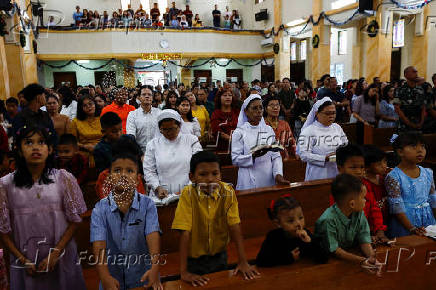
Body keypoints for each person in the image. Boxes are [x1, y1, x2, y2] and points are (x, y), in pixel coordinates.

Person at [0, 126, 87, 289]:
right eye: (28, 142)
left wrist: (55, 254)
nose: (35, 147)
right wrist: (22, 259)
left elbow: (75, 221)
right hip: (25, 258)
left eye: (41, 142)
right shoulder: (5, 185)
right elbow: (3, 232)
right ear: (18, 150)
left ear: (50, 149)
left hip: (61, 254)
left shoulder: (63, 178)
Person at [172, 151, 259, 286]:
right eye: (203, 174)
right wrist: (183, 272)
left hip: (220, 255)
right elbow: (184, 231)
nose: (210, 179)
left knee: (220, 284)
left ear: (220, 175)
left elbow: (234, 225)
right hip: (194, 259)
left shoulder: (228, 192)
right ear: (192, 177)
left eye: (215, 173)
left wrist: (243, 261)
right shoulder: (187, 194)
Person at [90, 141, 162, 290]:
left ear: (137, 179)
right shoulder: (99, 209)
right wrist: (104, 277)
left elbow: (153, 235)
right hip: (111, 278)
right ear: (109, 177)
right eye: (117, 170)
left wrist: (155, 268)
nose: (123, 175)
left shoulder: (148, 205)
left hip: (143, 276)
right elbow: (99, 243)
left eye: (129, 171)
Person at [314, 174, 382, 274]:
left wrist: (371, 258)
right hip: (326, 260)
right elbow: (335, 251)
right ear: (352, 204)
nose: (365, 201)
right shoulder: (327, 220)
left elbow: (364, 240)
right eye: (363, 198)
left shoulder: (359, 213)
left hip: (348, 252)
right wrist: (362, 261)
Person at [231, 95, 289, 190]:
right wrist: (252, 156)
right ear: (246, 111)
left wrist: (278, 174)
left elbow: (276, 156)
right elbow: (235, 159)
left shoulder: (268, 129)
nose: (259, 111)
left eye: (261, 108)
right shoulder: (239, 132)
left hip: (268, 177)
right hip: (248, 179)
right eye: (254, 108)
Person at [143, 109, 202, 200]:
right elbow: (149, 170)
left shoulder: (192, 140)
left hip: (189, 192)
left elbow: (199, 165)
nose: (168, 132)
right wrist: (157, 187)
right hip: (162, 196)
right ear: (160, 129)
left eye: (172, 129)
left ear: (179, 126)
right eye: (164, 129)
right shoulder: (152, 145)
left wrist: (188, 188)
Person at [335, 144, 388, 242]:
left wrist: (379, 230)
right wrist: (362, 238)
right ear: (340, 168)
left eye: (362, 167)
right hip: (348, 238)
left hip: (367, 235)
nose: (359, 171)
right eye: (353, 167)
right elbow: (343, 221)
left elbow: (374, 208)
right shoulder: (338, 189)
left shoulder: (364, 185)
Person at [386, 132, 436, 237]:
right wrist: (411, 228)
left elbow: (433, 198)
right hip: (406, 221)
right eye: (414, 146)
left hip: (427, 218)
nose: (420, 150)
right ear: (400, 152)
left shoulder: (428, 172)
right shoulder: (394, 177)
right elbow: (396, 207)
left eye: (423, 146)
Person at [256, 195, 328, 267]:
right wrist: (288, 258)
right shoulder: (273, 237)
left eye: (300, 218)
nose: (298, 223)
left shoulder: (306, 234)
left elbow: (323, 259)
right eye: (291, 221)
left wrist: (310, 242)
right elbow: (261, 261)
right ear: (278, 223)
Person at [296, 97, 348, 181]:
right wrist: (324, 158)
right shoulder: (309, 131)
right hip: (318, 173)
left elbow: (345, 144)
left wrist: (341, 152)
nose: (331, 116)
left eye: (333, 113)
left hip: (337, 171)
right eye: (327, 113)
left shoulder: (337, 127)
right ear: (317, 113)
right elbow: (304, 155)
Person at [395, 66, 435, 132]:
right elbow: (397, 108)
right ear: (406, 75)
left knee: (418, 141)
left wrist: (421, 122)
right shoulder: (399, 90)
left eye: (416, 71)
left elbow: (424, 107)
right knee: (396, 140)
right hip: (403, 125)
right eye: (413, 71)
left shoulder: (421, 89)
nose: (416, 73)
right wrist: (408, 122)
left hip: (418, 124)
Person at [126, 86, 161, 153]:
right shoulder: (133, 115)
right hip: (139, 153)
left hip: (157, 152)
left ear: (152, 97)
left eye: (149, 95)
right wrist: (140, 154)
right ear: (139, 97)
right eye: (144, 94)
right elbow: (131, 137)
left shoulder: (159, 113)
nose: (147, 96)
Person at [362, 145, 389, 224]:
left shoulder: (384, 178)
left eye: (385, 161)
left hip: (386, 220)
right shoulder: (363, 184)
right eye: (379, 164)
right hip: (371, 223)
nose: (384, 166)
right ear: (367, 167)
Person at [71, 95, 102, 163]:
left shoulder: (102, 118)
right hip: (85, 153)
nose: (88, 107)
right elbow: (72, 142)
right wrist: (85, 146)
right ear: (81, 108)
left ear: (95, 104)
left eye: (90, 104)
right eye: (85, 105)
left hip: (103, 151)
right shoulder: (75, 122)